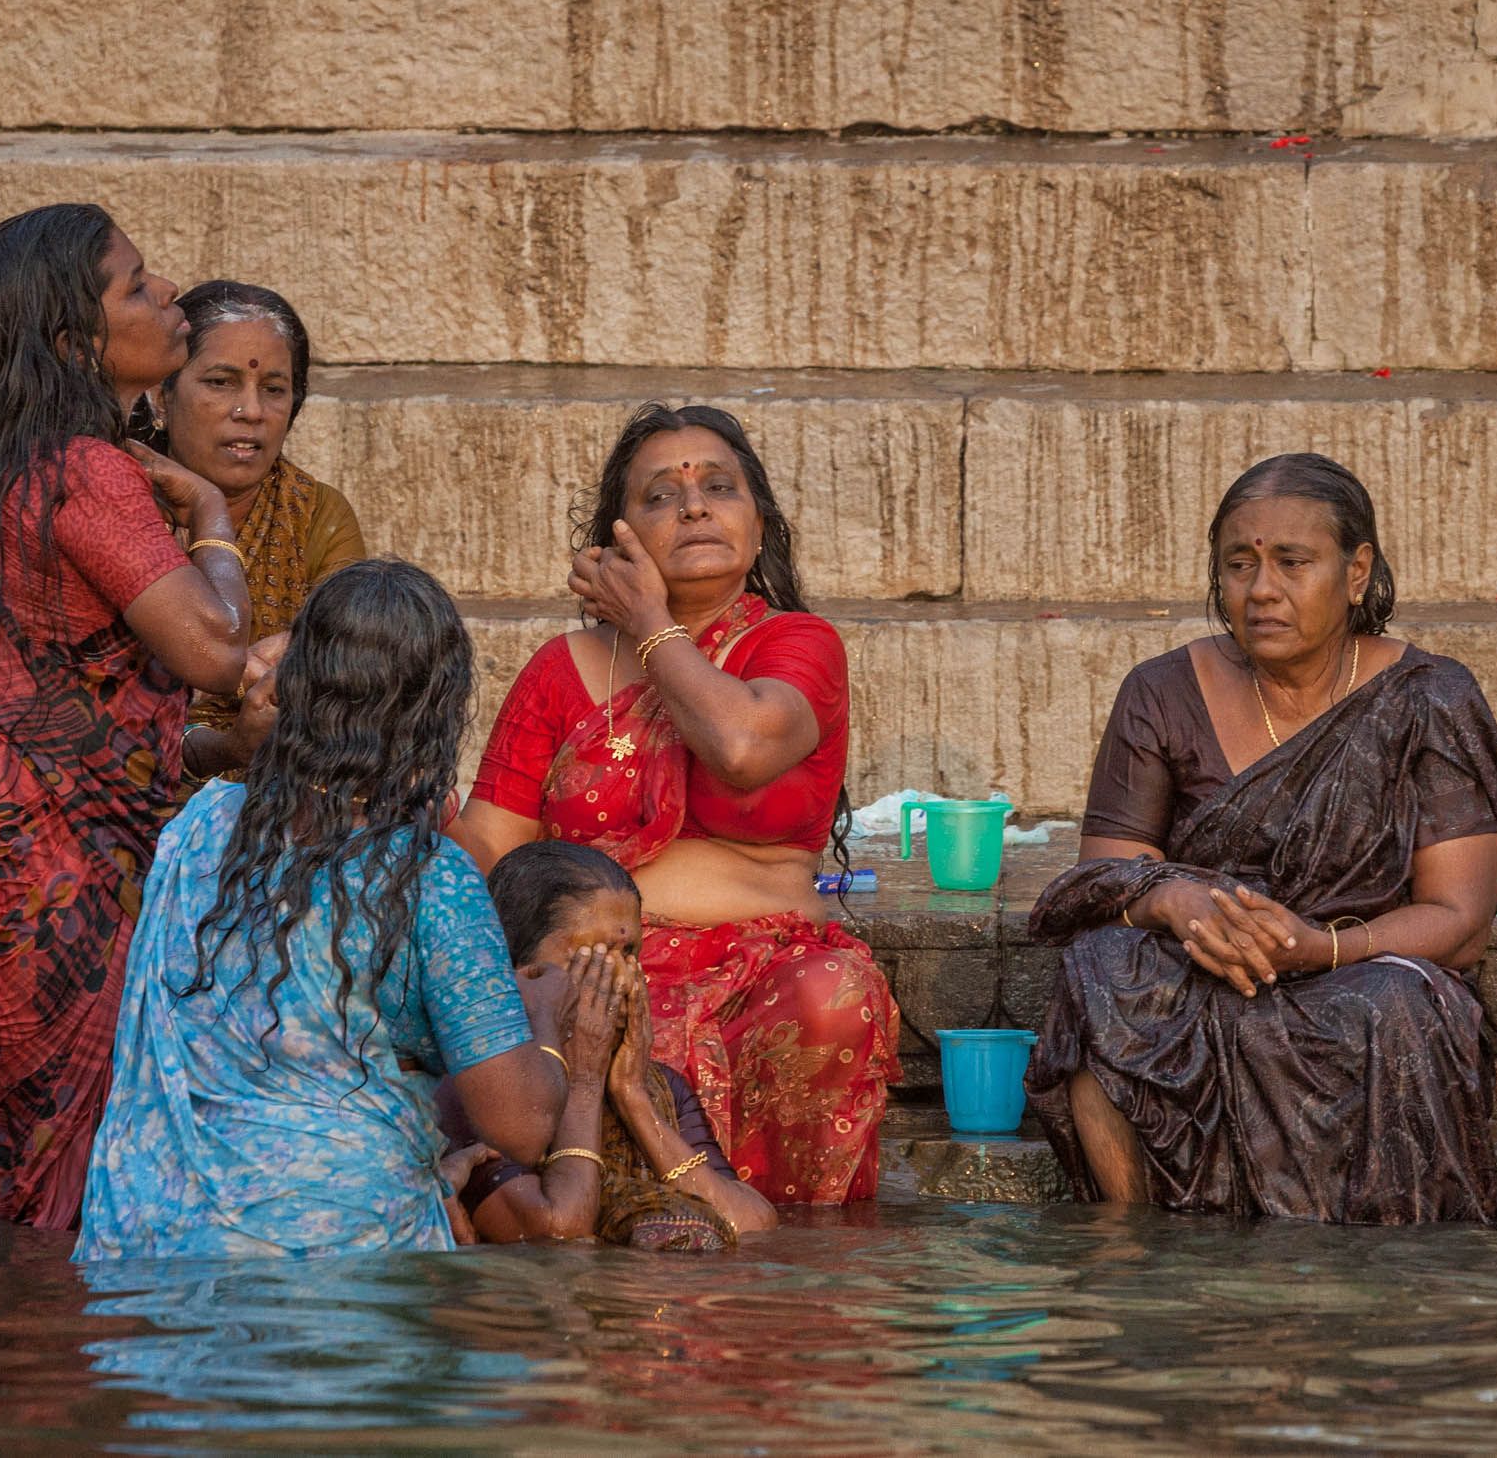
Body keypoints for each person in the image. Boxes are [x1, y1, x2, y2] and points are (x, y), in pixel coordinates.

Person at [0, 204, 253, 1230]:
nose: (167, 291)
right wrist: (215, 521)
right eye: (134, 284)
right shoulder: (84, 466)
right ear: (74, 340)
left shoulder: (16, 464)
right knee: (70, 1170)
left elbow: (73, 701)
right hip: (28, 862)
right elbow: (213, 649)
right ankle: (46, 1370)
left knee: (7, 1169)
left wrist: (216, 751)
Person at [1022, 453, 1497, 1222]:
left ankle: (1389, 1270)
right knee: (1102, 968)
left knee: (1400, 1003)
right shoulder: (1160, 692)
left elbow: (1460, 920)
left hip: (1362, 963)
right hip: (1206, 962)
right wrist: (1179, 902)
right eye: (1239, 565)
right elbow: (1104, 877)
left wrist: (1319, 946)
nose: (1261, 591)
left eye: (1292, 563)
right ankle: (1132, 1248)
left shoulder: (1430, 698)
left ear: (1356, 573)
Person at [455, 403, 900, 1205]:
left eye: (719, 487)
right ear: (617, 538)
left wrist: (652, 623)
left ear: (759, 529)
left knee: (834, 991)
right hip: (589, 972)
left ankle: (787, 1278)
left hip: (767, 976)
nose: (693, 505)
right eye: (660, 495)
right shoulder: (563, 669)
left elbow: (741, 744)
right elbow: (489, 844)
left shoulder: (797, 646)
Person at [77, 560, 566, 1260]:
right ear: (437, 710)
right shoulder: (427, 872)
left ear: (294, 686)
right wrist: (548, 1018)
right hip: (341, 1240)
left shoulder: (197, 828)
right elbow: (518, 1125)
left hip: (148, 1229)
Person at [442, 841, 780, 1249]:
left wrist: (633, 1098)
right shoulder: (485, 1087)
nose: (622, 981)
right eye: (593, 958)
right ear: (520, 967)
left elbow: (752, 1226)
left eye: (630, 954)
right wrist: (583, 1082)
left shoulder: (659, 1088)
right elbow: (557, 1233)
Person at [151, 281, 367, 786]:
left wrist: (311, 655)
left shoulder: (318, 515)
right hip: (122, 788)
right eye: (221, 382)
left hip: (285, 793)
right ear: (161, 395)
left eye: (273, 389)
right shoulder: (113, 503)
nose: (250, 411)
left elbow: (352, 669)